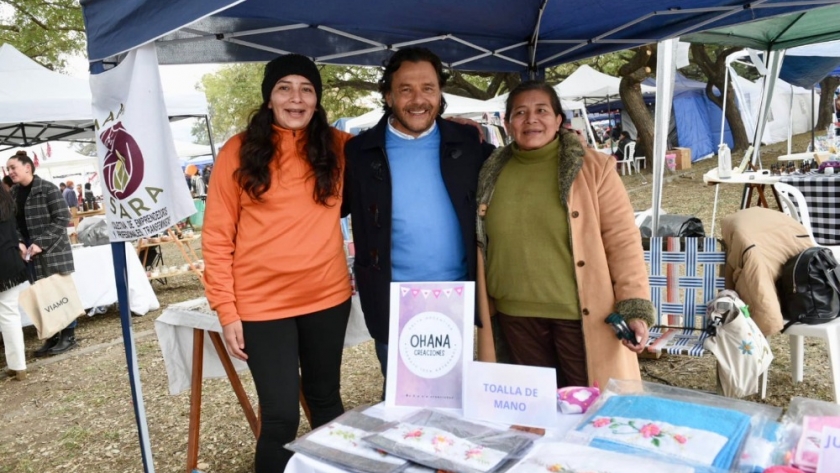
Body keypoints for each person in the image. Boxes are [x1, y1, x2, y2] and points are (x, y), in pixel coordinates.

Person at [203, 54, 352, 472]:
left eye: (306, 89)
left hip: (327, 297)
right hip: (262, 307)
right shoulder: (239, 150)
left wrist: (456, 129)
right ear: (269, 98)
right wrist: (226, 309)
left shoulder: (340, 147)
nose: (296, 98)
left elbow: (391, 145)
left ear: (318, 99)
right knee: (281, 416)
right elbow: (216, 236)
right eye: (284, 87)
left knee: (327, 402)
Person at [475, 81, 654, 389]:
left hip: (581, 316)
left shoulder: (594, 168)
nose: (531, 119)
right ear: (506, 123)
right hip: (514, 317)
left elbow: (623, 241)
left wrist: (634, 306)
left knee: (587, 408)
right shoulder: (490, 171)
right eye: (520, 112)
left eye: (542, 110)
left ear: (558, 120)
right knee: (534, 416)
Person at [342, 47, 494, 385]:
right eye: (405, 89)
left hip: (458, 296)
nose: (418, 99)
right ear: (388, 96)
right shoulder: (359, 152)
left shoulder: (469, 142)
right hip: (393, 299)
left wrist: (563, 144)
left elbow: (517, 166)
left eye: (428, 88)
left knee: (458, 395)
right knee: (401, 397)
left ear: (440, 93)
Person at [6, 150, 77, 356]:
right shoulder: (14, 193)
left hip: (52, 250)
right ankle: (53, 334)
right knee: (41, 294)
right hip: (28, 252)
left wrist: (41, 243)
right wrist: (19, 241)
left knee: (60, 292)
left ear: (27, 167)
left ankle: (68, 335)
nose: (10, 172)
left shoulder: (48, 188)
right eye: (8, 169)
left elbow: (62, 218)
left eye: (13, 168)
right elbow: (12, 222)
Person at [0, 180, 28, 381]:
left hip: (4, 263)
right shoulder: (6, 198)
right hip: (10, 261)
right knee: (9, 315)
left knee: (8, 315)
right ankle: (17, 365)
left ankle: (17, 365)